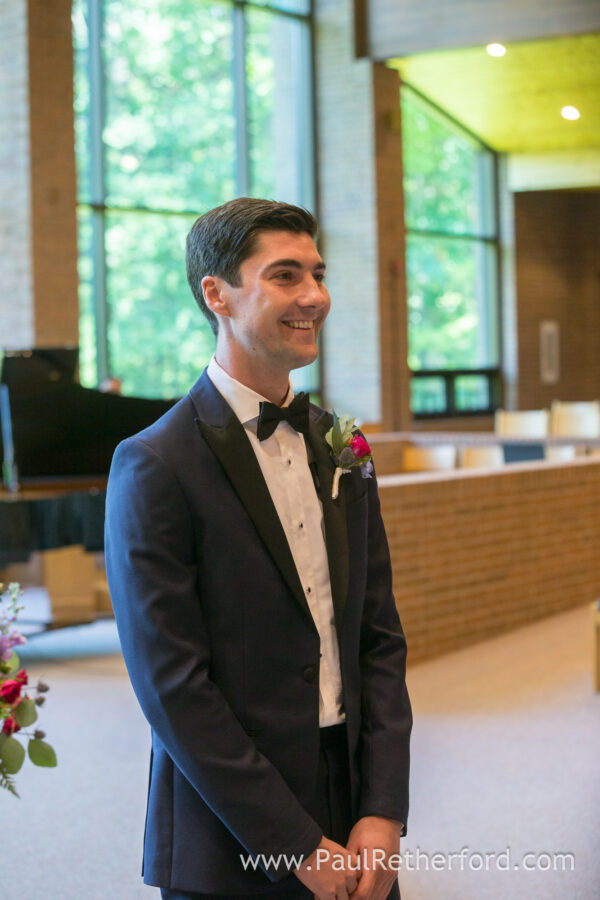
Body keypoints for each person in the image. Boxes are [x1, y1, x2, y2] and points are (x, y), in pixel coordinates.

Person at [105, 198, 412, 900]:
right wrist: (293, 845)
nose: (314, 297)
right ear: (216, 293)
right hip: (231, 829)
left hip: (356, 801)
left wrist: (384, 807)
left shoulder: (342, 445)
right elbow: (173, 687)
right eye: (284, 275)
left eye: (318, 272)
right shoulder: (155, 463)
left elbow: (379, 636)